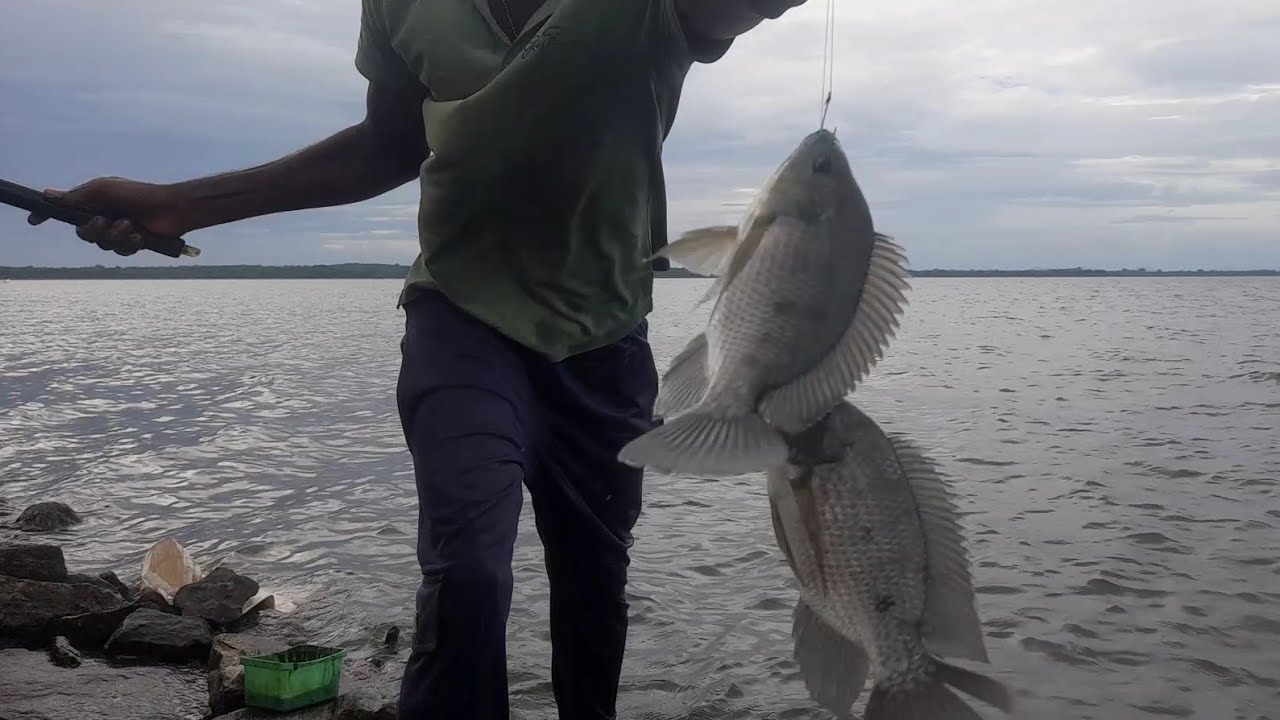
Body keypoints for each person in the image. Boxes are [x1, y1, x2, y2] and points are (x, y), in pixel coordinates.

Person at [28, 1, 809, 717]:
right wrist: (179, 204)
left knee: (594, 583)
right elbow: (388, 143)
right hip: (460, 314)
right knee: (468, 570)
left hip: (604, 334)